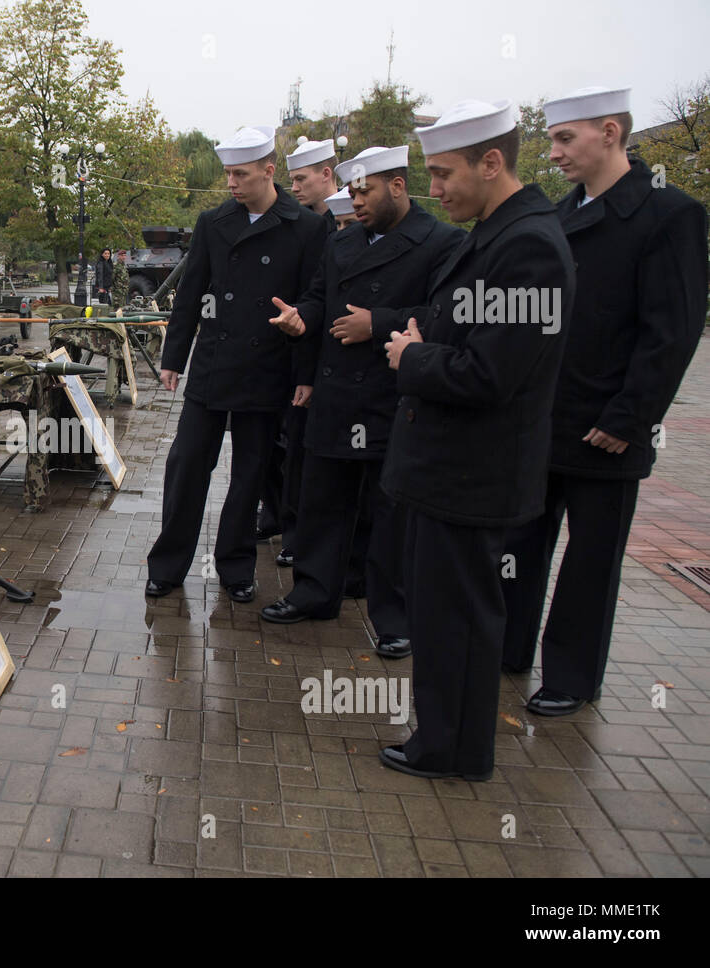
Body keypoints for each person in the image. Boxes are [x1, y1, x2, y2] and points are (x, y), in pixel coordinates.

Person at [377, 100, 575, 780]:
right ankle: (447, 738)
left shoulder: (528, 247)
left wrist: (411, 358)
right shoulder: (497, 233)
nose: (435, 190)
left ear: (492, 163)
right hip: (453, 470)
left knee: (456, 616)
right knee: (444, 612)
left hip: (471, 472)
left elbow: (493, 373)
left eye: (443, 174)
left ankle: (452, 750)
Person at [501, 86, 708, 716]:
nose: (554, 151)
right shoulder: (558, 216)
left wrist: (631, 416)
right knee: (521, 545)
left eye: (566, 139)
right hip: (545, 417)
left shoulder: (669, 213)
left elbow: (671, 330)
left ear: (611, 132)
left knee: (591, 561)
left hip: (607, 426)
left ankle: (571, 675)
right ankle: (508, 650)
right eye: (553, 139)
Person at [261, 145, 465, 665]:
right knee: (322, 502)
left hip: (392, 397)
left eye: (365, 190)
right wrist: (300, 320)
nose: (355, 200)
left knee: (390, 515)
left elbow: (444, 316)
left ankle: (394, 618)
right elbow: (317, 297)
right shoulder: (342, 242)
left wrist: (376, 323)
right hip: (336, 395)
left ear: (397, 185)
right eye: (351, 190)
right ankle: (314, 592)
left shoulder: (441, 242)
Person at [145, 125, 326, 603]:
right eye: (227, 174)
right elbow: (190, 295)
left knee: (250, 474)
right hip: (213, 365)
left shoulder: (305, 227)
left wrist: (305, 373)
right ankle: (167, 565)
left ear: (269, 171)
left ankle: (236, 567)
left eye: (240, 174)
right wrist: (173, 358)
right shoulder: (214, 222)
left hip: (269, 368)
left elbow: (314, 301)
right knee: (186, 466)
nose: (231, 183)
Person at [257, 138, 338, 562]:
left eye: (303, 179)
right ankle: (274, 512)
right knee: (273, 442)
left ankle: (297, 529)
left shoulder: (344, 225)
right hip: (283, 347)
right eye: (292, 180)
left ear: (327, 174)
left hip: (322, 349)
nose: (297, 188)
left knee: (301, 449)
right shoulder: (294, 222)